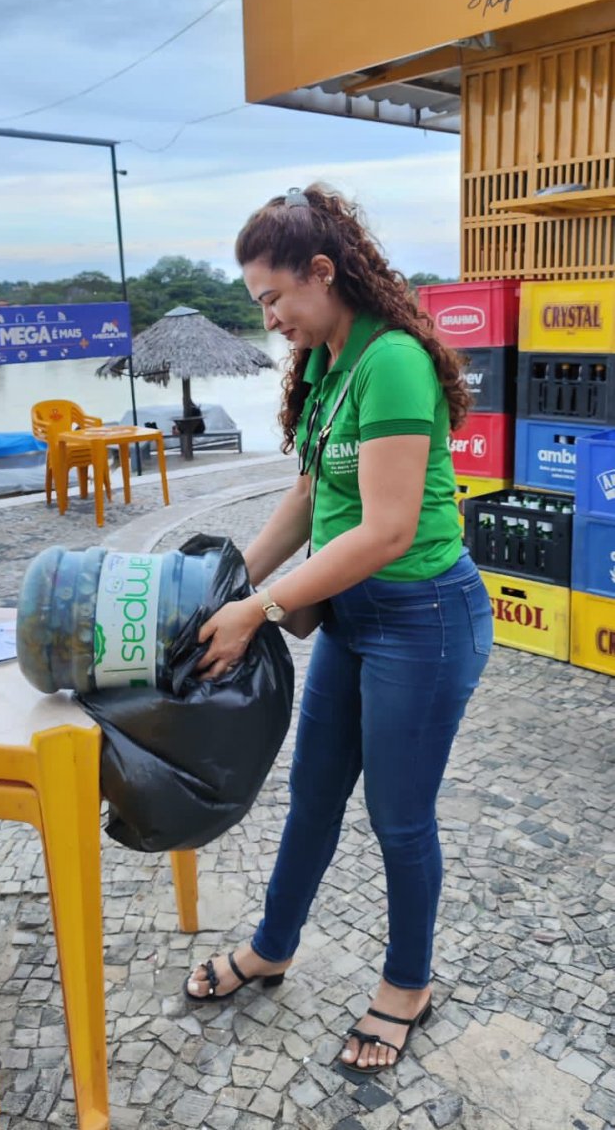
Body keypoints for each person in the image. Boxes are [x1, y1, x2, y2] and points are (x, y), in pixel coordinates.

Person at [184, 184, 493, 1075]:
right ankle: (273, 946)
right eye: (260, 303)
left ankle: (407, 983)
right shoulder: (325, 359)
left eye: (274, 296)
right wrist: (228, 583)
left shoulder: (391, 360)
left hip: (423, 617)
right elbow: (310, 496)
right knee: (312, 796)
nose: (271, 316)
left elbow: (387, 528)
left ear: (324, 272)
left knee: (399, 818)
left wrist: (262, 608)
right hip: (355, 617)